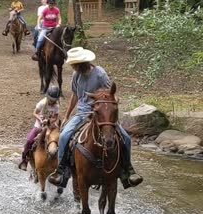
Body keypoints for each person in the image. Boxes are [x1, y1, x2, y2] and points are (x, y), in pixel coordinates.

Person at [47, 47, 144, 189]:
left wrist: (110, 110)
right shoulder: (76, 75)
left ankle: (128, 170)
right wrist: (67, 115)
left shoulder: (100, 74)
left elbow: (110, 94)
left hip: (101, 114)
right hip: (82, 113)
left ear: (81, 63)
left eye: (74, 64)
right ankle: (62, 171)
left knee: (126, 138)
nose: (72, 66)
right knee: (64, 136)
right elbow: (75, 95)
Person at [19, 85, 60, 171]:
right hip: (39, 126)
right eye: (51, 100)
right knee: (29, 141)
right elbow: (34, 113)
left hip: (50, 126)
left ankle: (61, 162)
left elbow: (56, 117)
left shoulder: (56, 106)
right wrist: (41, 119)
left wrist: (49, 120)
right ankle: (24, 160)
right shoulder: (42, 103)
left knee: (59, 138)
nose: (52, 102)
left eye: (54, 101)